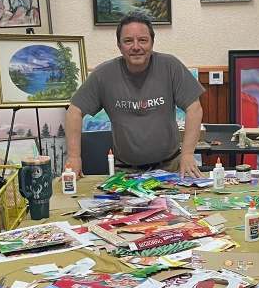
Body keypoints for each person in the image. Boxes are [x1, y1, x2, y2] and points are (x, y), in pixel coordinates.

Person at [64, 14, 205, 177]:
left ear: (152, 43)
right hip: (125, 170)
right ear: (119, 45)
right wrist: (74, 157)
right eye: (128, 41)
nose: (136, 47)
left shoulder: (170, 66)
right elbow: (74, 112)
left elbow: (194, 108)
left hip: (170, 166)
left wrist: (187, 154)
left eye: (143, 40)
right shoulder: (103, 74)